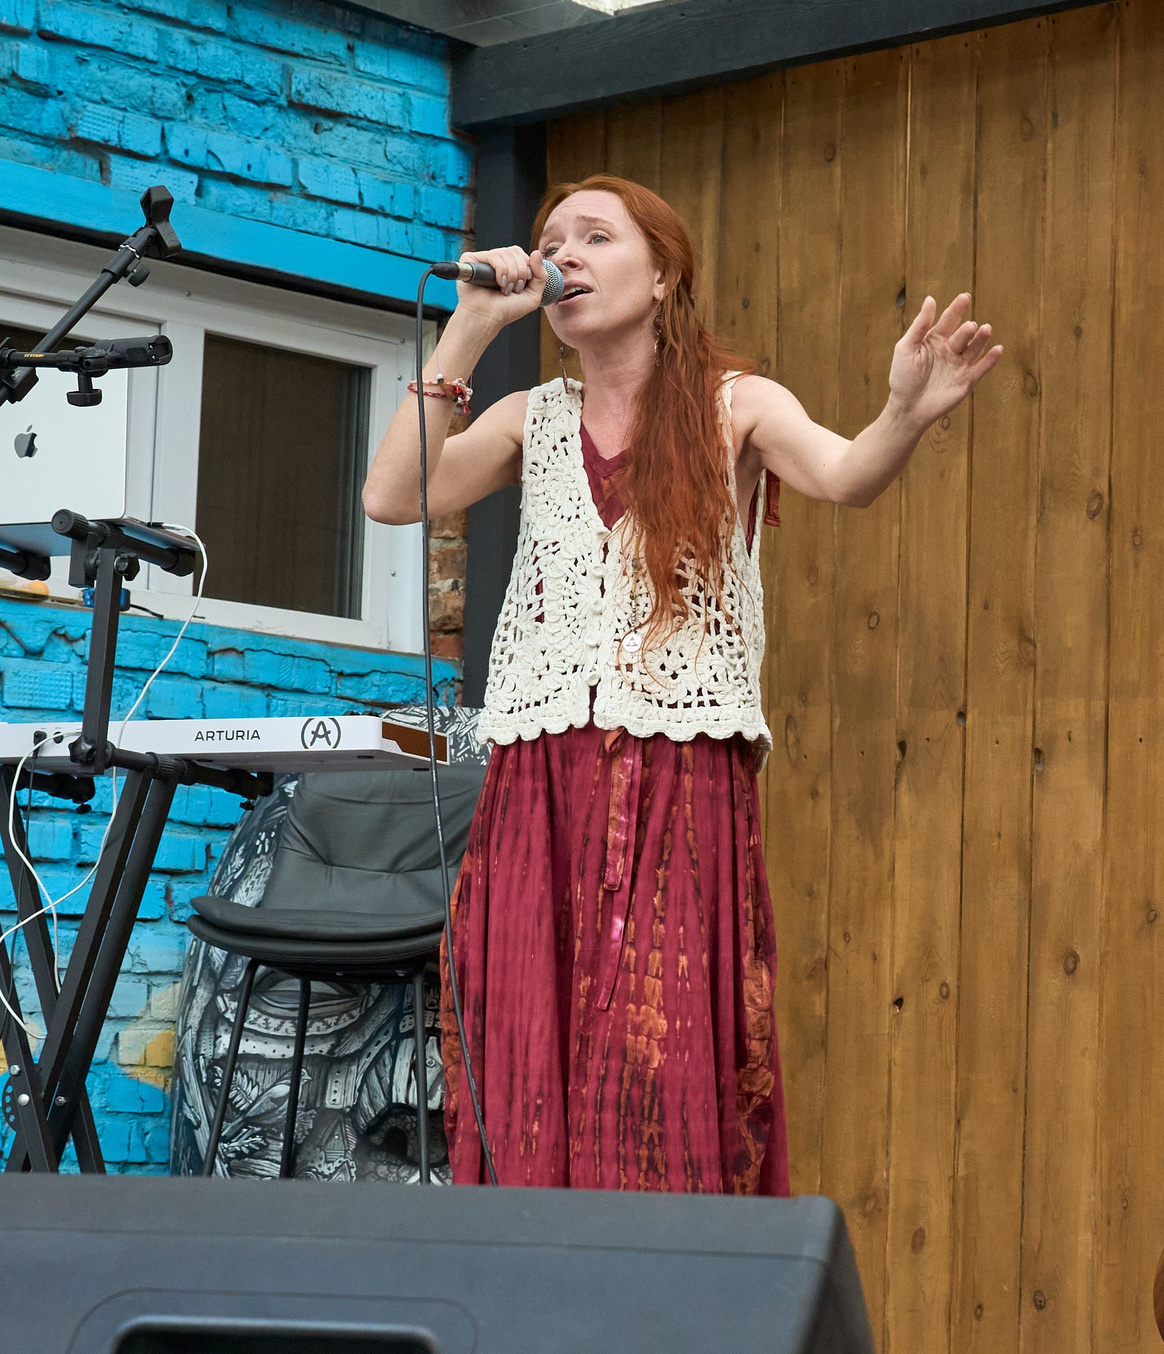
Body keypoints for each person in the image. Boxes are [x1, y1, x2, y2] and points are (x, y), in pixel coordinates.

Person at [360, 174, 1002, 1193]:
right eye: (551, 238)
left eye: (596, 237)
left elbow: (842, 475)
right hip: (540, 782)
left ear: (662, 275)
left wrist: (903, 414)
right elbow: (392, 496)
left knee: (657, 1072)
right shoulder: (533, 416)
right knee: (525, 1054)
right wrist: (471, 326)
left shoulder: (735, 405)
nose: (564, 254)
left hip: (676, 779)